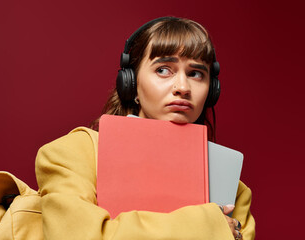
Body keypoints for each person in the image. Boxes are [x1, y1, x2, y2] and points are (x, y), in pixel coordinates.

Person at [34, 16, 255, 240]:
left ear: (211, 91)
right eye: (163, 70)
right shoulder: (73, 154)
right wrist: (207, 227)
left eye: (195, 73)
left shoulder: (232, 188)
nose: (182, 87)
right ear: (131, 85)